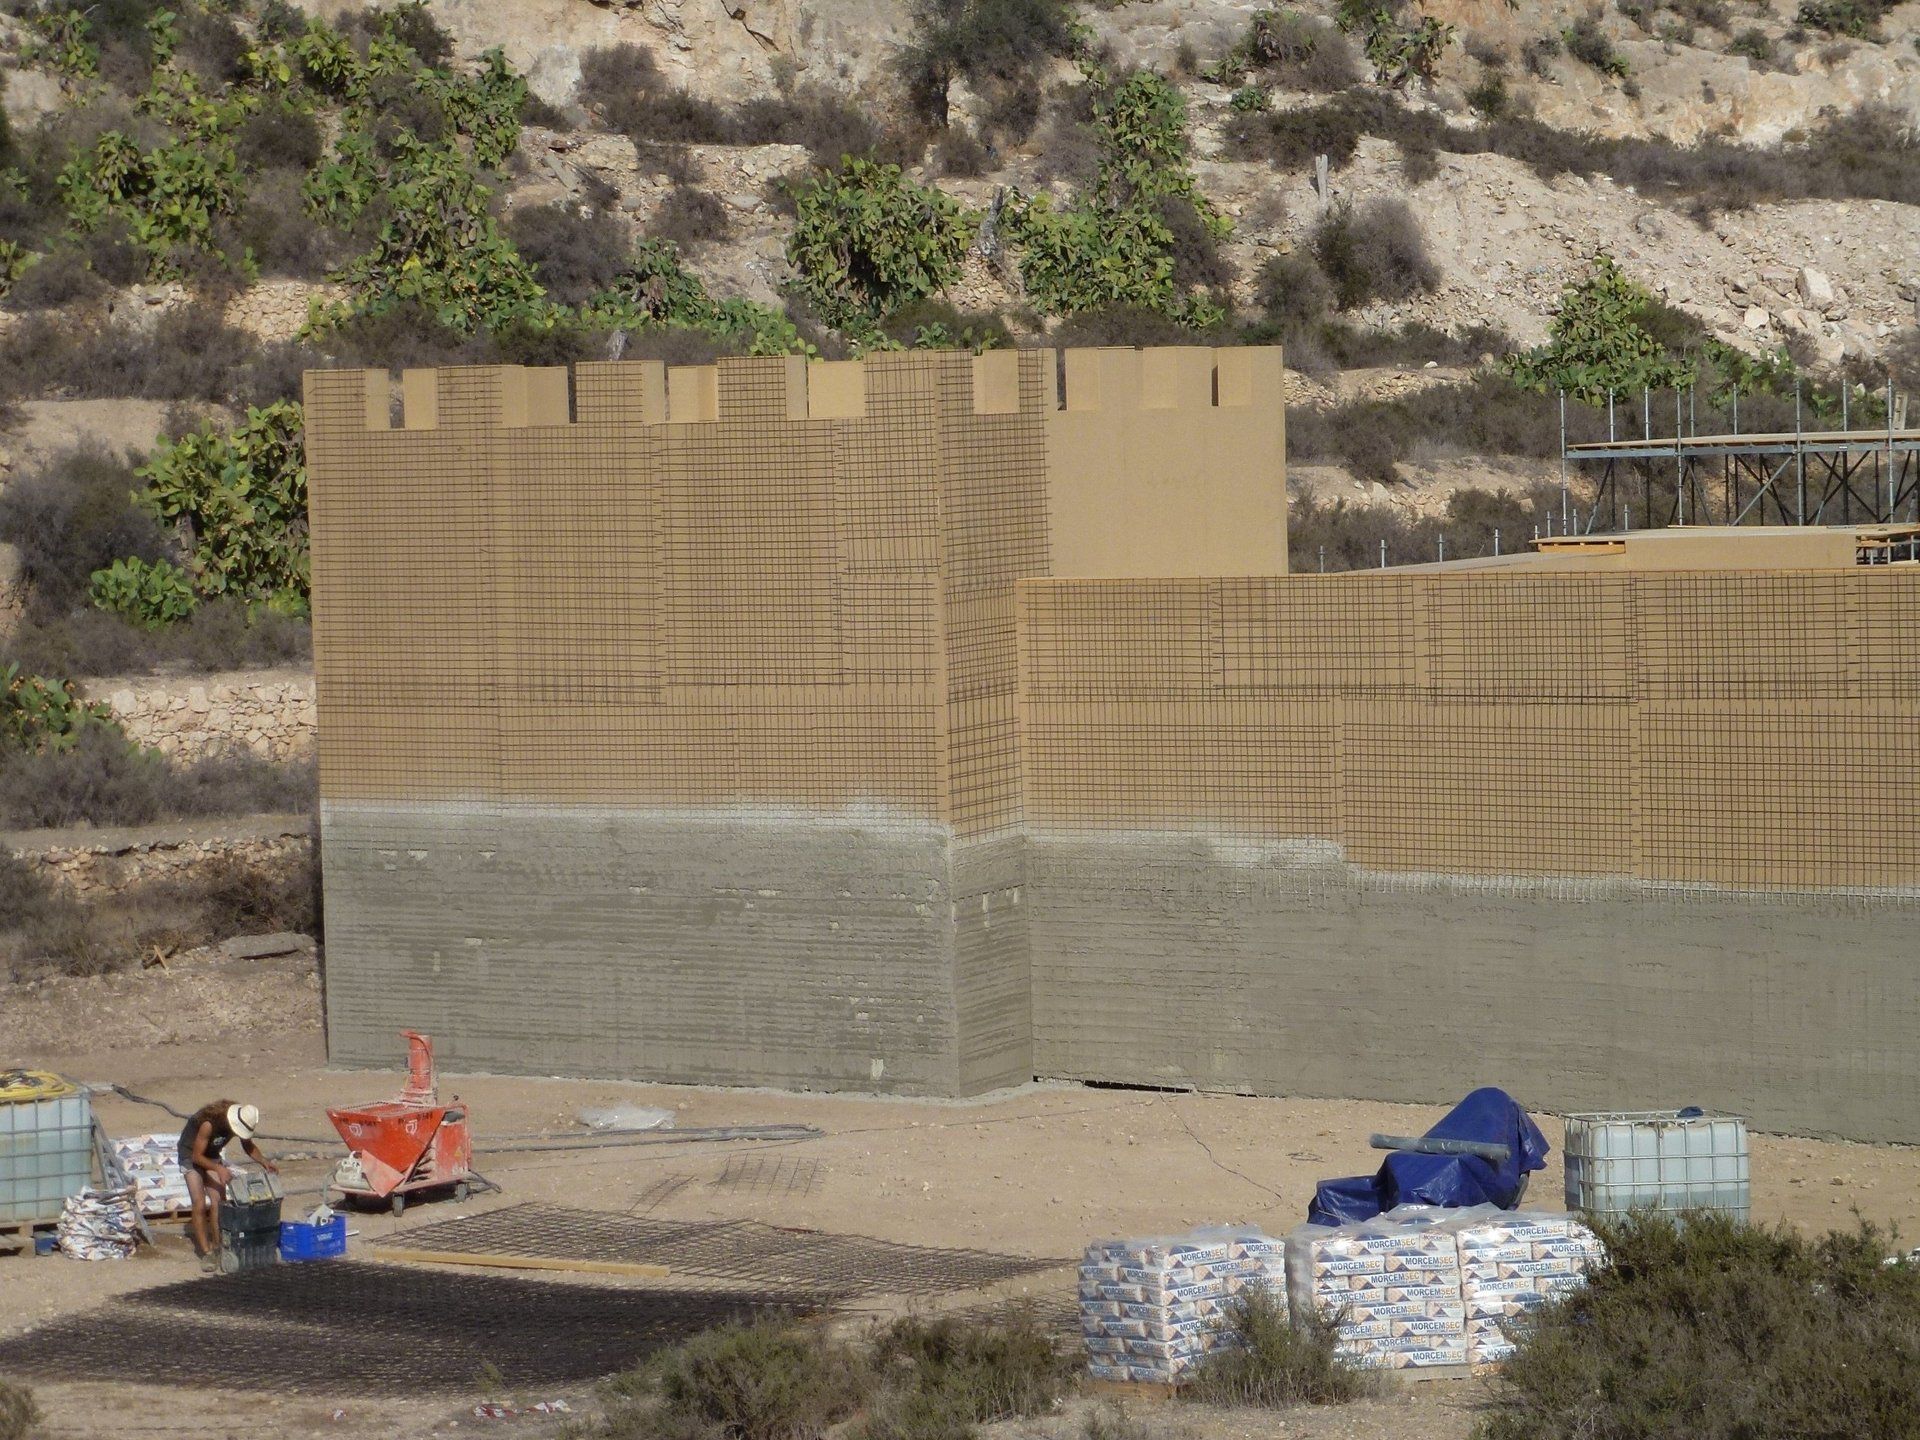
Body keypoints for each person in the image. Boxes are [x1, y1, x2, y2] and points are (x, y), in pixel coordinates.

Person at [178, 1100, 277, 1269]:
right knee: (199, 1203)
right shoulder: (208, 1124)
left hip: (211, 1155)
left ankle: (219, 1246)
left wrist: (263, 1161)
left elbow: (248, 1146)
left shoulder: (237, 1123)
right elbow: (196, 1157)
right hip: (191, 1156)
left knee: (219, 1200)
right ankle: (207, 1253)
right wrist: (219, 1168)